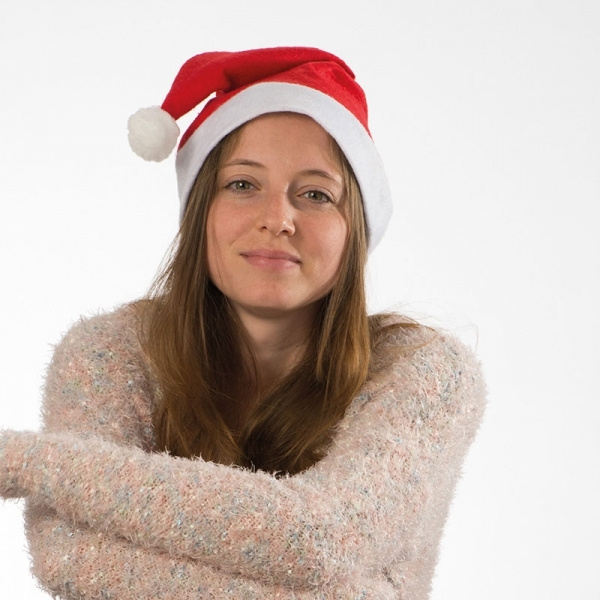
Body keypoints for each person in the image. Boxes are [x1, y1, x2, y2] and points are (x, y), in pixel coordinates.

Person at [0, 47, 486, 599]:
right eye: (242, 185)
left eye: (315, 194)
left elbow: (322, 539)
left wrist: (22, 461)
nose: (277, 219)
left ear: (355, 230)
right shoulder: (109, 350)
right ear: (199, 211)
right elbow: (69, 555)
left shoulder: (427, 371)